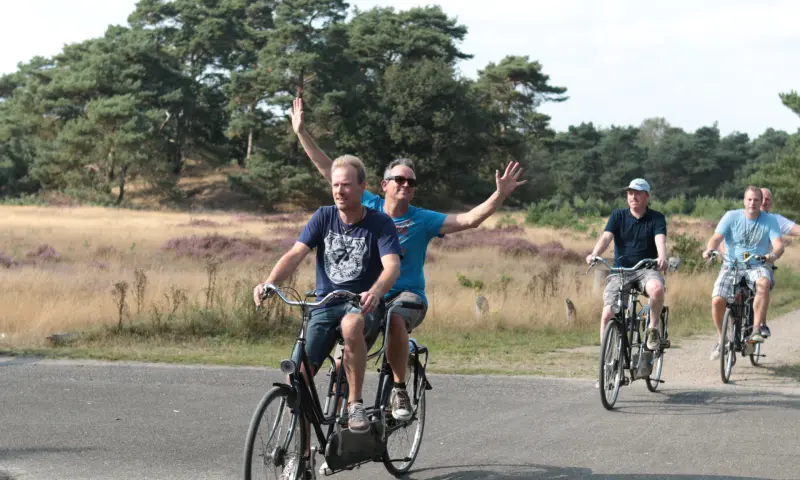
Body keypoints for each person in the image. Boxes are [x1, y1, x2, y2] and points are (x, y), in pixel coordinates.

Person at [290, 97, 526, 421]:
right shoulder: (367, 205)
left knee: (396, 318)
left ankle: (399, 388)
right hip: (363, 297)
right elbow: (328, 168)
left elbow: (470, 219)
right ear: (383, 185)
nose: (405, 185)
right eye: (399, 179)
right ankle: (342, 424)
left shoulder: (423, 219)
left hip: (406, 296)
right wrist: (302, 132)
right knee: (346, 348)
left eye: (411, 182)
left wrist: (499, 195)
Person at [252, 154, 401, 435]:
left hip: (362, 306)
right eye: (335, 185)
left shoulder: (380, 223)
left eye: (345, 185)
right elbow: (296, 253)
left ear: (361, 187)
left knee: (351, 324)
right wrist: (270, 282)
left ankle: (354, 404)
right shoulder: (323, 216)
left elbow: (392, 266)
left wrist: (376, 291)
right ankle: (302, 458)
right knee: (297, 379)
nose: (339, 191)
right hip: (324, 304)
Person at [586, 178, 668, 363]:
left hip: (646, 269)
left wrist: (661, 257)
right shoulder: (618, 216)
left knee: (657, 289)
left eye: (638, 193)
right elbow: (606, 237)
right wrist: (594, 254)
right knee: (608, 313)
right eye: (630, 193)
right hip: (621, 271)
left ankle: (652, 330)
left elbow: (660, 240)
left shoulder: (656, 218)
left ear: (647, 196)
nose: (633, 196)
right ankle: (606, 363)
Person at [703, 185, 783, 360]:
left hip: (757, 264)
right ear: (744, 200)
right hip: (732, 265)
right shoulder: (731, 216)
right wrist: (709, 250)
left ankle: (755, 329)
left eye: (756, 200)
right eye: (749, 199)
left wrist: (772, 255)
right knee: (717, 299)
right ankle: (722, 338)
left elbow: (778, 244)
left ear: (761, 202)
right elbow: (716, 238)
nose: (752, 203)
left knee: (763, 283)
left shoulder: (769, 220)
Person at [758, 187, 799, 337]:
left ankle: (761, 323)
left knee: (763, 285)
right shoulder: (742, 216)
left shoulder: (775, 220)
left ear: (771, 203)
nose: (763, 202)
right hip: (743, 263)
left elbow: (795, 229)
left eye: (767, 199)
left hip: (764, 264)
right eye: (760, 198)